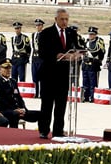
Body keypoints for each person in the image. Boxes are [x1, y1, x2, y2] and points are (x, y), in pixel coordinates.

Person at [37, 8, 78, 139]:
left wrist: (76, 55)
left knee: (61, 105)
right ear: (56, 19)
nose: (65, 22)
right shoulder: (46, 33)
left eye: (66, 19)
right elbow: (43, 53)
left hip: (64, 75)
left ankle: (58, 131)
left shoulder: (71, 33)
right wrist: (57, 55)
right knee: (47, 104)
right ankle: (44, 130)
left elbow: (75, 47)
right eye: (62, 19)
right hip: (49, 74)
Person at [0, 58, 41, 128]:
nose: (8, 70)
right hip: (4, 110)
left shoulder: (13, 81)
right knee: (15, 115)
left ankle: (42, 132)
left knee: (41, 114)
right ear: (0, 69)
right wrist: (14, 110)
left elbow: (19, 98)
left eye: (9, 68)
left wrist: (23, 109)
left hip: (17, 110)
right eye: (5, 68)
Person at [82, 26, 104, 103]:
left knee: (93, 83)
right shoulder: (86, 42)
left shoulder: (98, 43)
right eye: (90, 34)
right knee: (85, 82)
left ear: (95, 35)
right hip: (85, 65)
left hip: (93, 65)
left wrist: (92, 59)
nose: (90, 35)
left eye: (92, 34)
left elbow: (101, 54)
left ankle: (92, 97)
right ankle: (86, 96)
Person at [31, 18, 45, 98]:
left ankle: (42, 93)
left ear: (42, 26)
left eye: (39, 25)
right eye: (36, 25)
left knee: (42, 77)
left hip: (41, 57)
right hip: (35, 57)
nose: (37, 27)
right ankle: (36, 93)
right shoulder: (33, 35)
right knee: (34, 77)